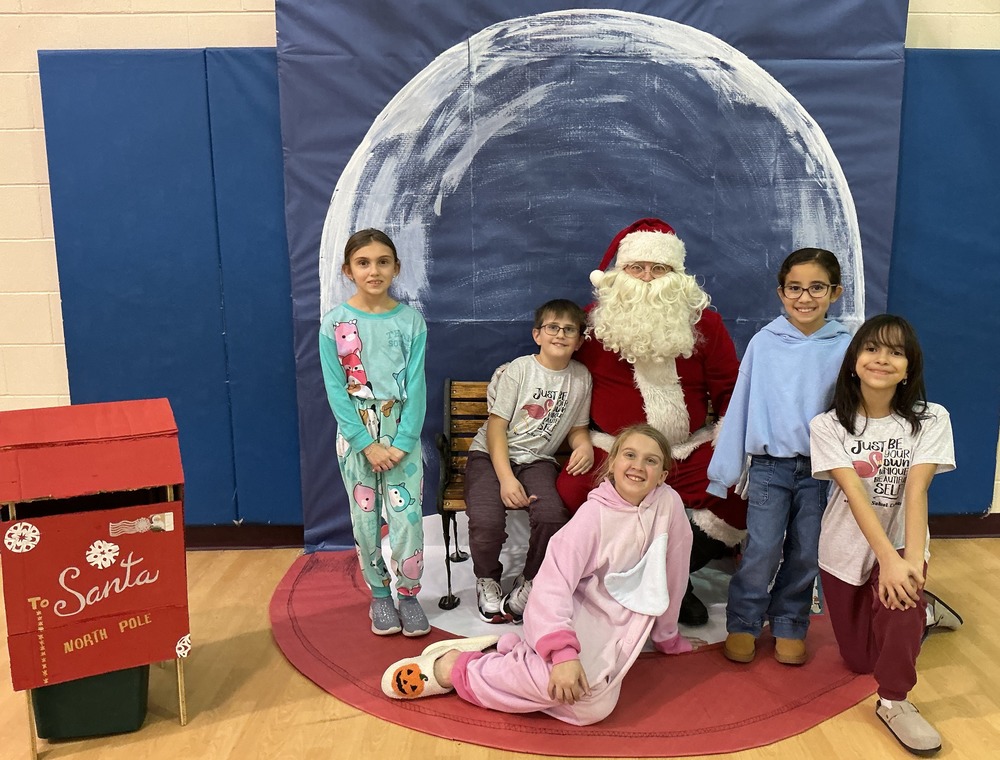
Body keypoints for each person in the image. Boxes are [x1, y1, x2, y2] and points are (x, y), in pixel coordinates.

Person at [381, 425, 697, 726]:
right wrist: (562, 653)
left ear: (662, 476)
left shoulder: (669, 505)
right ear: (612, 462)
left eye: (651, 460)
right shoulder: (593, 517)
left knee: (593, 705)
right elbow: (551, 585)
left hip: (617, 625)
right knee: (574, 693)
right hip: (571, 613)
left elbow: (674, 573)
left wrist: (667, 636)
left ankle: (509, 654)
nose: (638, 465)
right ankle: (457, 668)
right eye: (629, 455)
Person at [556, 217, 746, 626]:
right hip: (613, 451)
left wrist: (732, 445)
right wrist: (578, 438)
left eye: (658, 269)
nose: (646, 278)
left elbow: (731, 388)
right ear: (617, 274)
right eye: (636, 268)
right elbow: (560, 381)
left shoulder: (705, 324)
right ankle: (620, 581)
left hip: (686, 451)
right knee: (572, 489)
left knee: (738, 492)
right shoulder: (591, 323)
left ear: (676, 276)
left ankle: (671, 577)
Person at [810, 315, 956, 756]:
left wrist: (908, 562)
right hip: (843, 546)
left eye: (896, 352)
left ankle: (894, 701)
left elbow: (916, 490)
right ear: (854, 360)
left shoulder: (931, 418)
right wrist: (886, 561)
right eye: (873, 348)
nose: (883, 359)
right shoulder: (828, 425)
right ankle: (925, 614)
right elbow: (854, 493)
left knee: (900, 599)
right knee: (859, 660)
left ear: (909, 368)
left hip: (902, 539)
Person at [706, 248, 851, 666]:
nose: (805, 298)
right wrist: (724, 471)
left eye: (816, 288)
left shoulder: (845, 347)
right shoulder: (764, 343)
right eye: (795, 288)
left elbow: (855, 412)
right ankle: (744, 622)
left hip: (824, 471)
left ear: (835, 292)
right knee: (764, 548)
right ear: (781, 292)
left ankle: (789, 621)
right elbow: (741, 406)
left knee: (807, 549)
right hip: (771, 468)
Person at [319, 228, 430, 637]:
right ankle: (380, 596)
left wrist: (401, 443)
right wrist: (365, 443)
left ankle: (409, 594)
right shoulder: (335, 323)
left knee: (407, 520)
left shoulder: (410, 321)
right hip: (356, 435)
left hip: (401, 429)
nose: (374, 270)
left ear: (396, 267)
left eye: (383, 262)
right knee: (365, 520)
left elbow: (416, 386)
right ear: (348, 270)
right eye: (363, 263)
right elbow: (335, 389)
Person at [465, 299, 594, 624]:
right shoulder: (520, 369)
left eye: (569, 330)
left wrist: (584, 445)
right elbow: (496, 428)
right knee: (486, 521)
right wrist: (506, 479)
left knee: (553, 515)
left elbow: (578, 428)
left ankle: (531, 580)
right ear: (537, 334)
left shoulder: (581, 377)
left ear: (579, 340)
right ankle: (487, 579)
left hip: (538, 461)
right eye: (553, 327)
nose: (560, 334)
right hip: (490, 456)